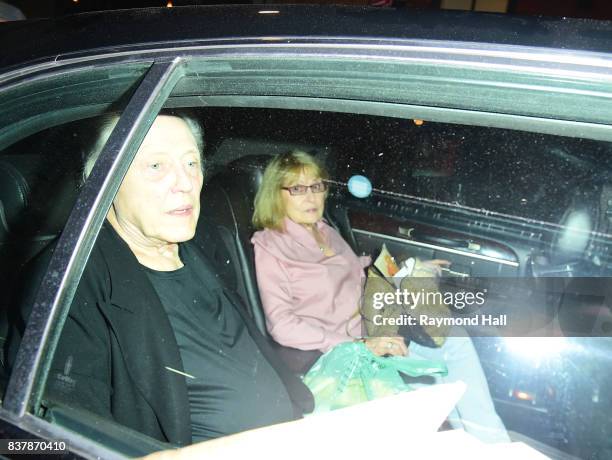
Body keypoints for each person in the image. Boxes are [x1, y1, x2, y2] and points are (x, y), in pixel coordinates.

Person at [9, 114, 313, 446]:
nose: (184, 183)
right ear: (103, 179)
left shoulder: (206, 242)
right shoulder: (64, 283)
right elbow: (63, 440)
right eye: (156, 166)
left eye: (191, 163)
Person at [251, 150, 510, 443]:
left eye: (317, 186)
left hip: (375, 326)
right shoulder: (270, 246)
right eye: (297, 189)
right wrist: (358, 345)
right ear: (276, 194)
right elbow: (282, 325)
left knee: (453, 338)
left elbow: (359, 271)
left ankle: (487, 443)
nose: (311, 197)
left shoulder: (325, 231)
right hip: (345, 351)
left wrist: (409, 269)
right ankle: (485, 442)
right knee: (441, 371)